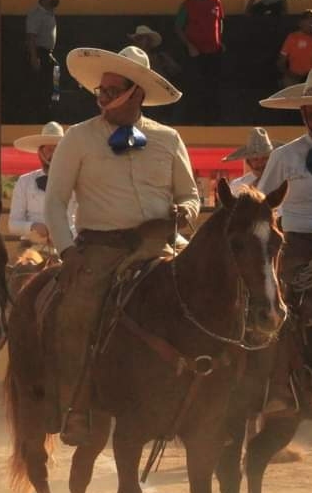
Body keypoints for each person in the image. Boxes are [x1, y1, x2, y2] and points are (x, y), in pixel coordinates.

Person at [44, 45, 199, 446]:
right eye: (102, 89)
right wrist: (67, 250)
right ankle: (75, 406)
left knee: (208, 302)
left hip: (161, 244)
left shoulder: (168, 138)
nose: (103, 95)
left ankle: (211, 401)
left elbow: (191, 194)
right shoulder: (78, 137)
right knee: (76, 312)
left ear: (138, 93)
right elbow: (55, 200)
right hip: (100, 248)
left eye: (113, 89)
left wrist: (184, 211)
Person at [256, 65, 312, 412]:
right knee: (282, 305)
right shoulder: (283, 157)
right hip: (296, 243)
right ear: (303, 114)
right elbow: (262, 205)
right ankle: (279, 386)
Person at [10, 122, 73, 247]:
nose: (54, 154)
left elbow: (81, 221)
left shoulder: (75, 182)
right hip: (30, 248)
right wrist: (32, 226)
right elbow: (13, 224)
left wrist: (64, 234)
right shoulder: (24, 182)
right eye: (49, 150)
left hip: (67, 247)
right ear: (40, 152)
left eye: (58, 149)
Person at [176, 0, 225, 124]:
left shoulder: (216, 1)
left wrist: (220, 40)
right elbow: (178, 27)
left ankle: (215, 121)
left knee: (215, 87)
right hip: (196, 54)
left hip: (215, 52)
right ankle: (196, 121)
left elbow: (220, 22)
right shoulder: (187, 5)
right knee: (197, 88)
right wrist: (190, 46)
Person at [26, 0, 64, 121]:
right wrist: (34, 57)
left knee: (53, 84)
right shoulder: (36, 14)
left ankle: (52, 112)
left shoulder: (49, 13)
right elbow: (31, 37)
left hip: (48, 54)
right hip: (40, 54)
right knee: (42, 88)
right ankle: (41, 116)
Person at [224, 127, 275, 194]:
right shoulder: (237, 186)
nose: (260, 163)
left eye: (265, 158)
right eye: (255, 159)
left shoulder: (283, 182)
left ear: (272, 159)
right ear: (248, 162)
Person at [278, 10, 312, 87]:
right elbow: (281, 60)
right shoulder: (292, 37)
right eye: (309, 21)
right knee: (288, 84)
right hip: (294, 75)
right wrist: (288, 74)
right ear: (301, 23)